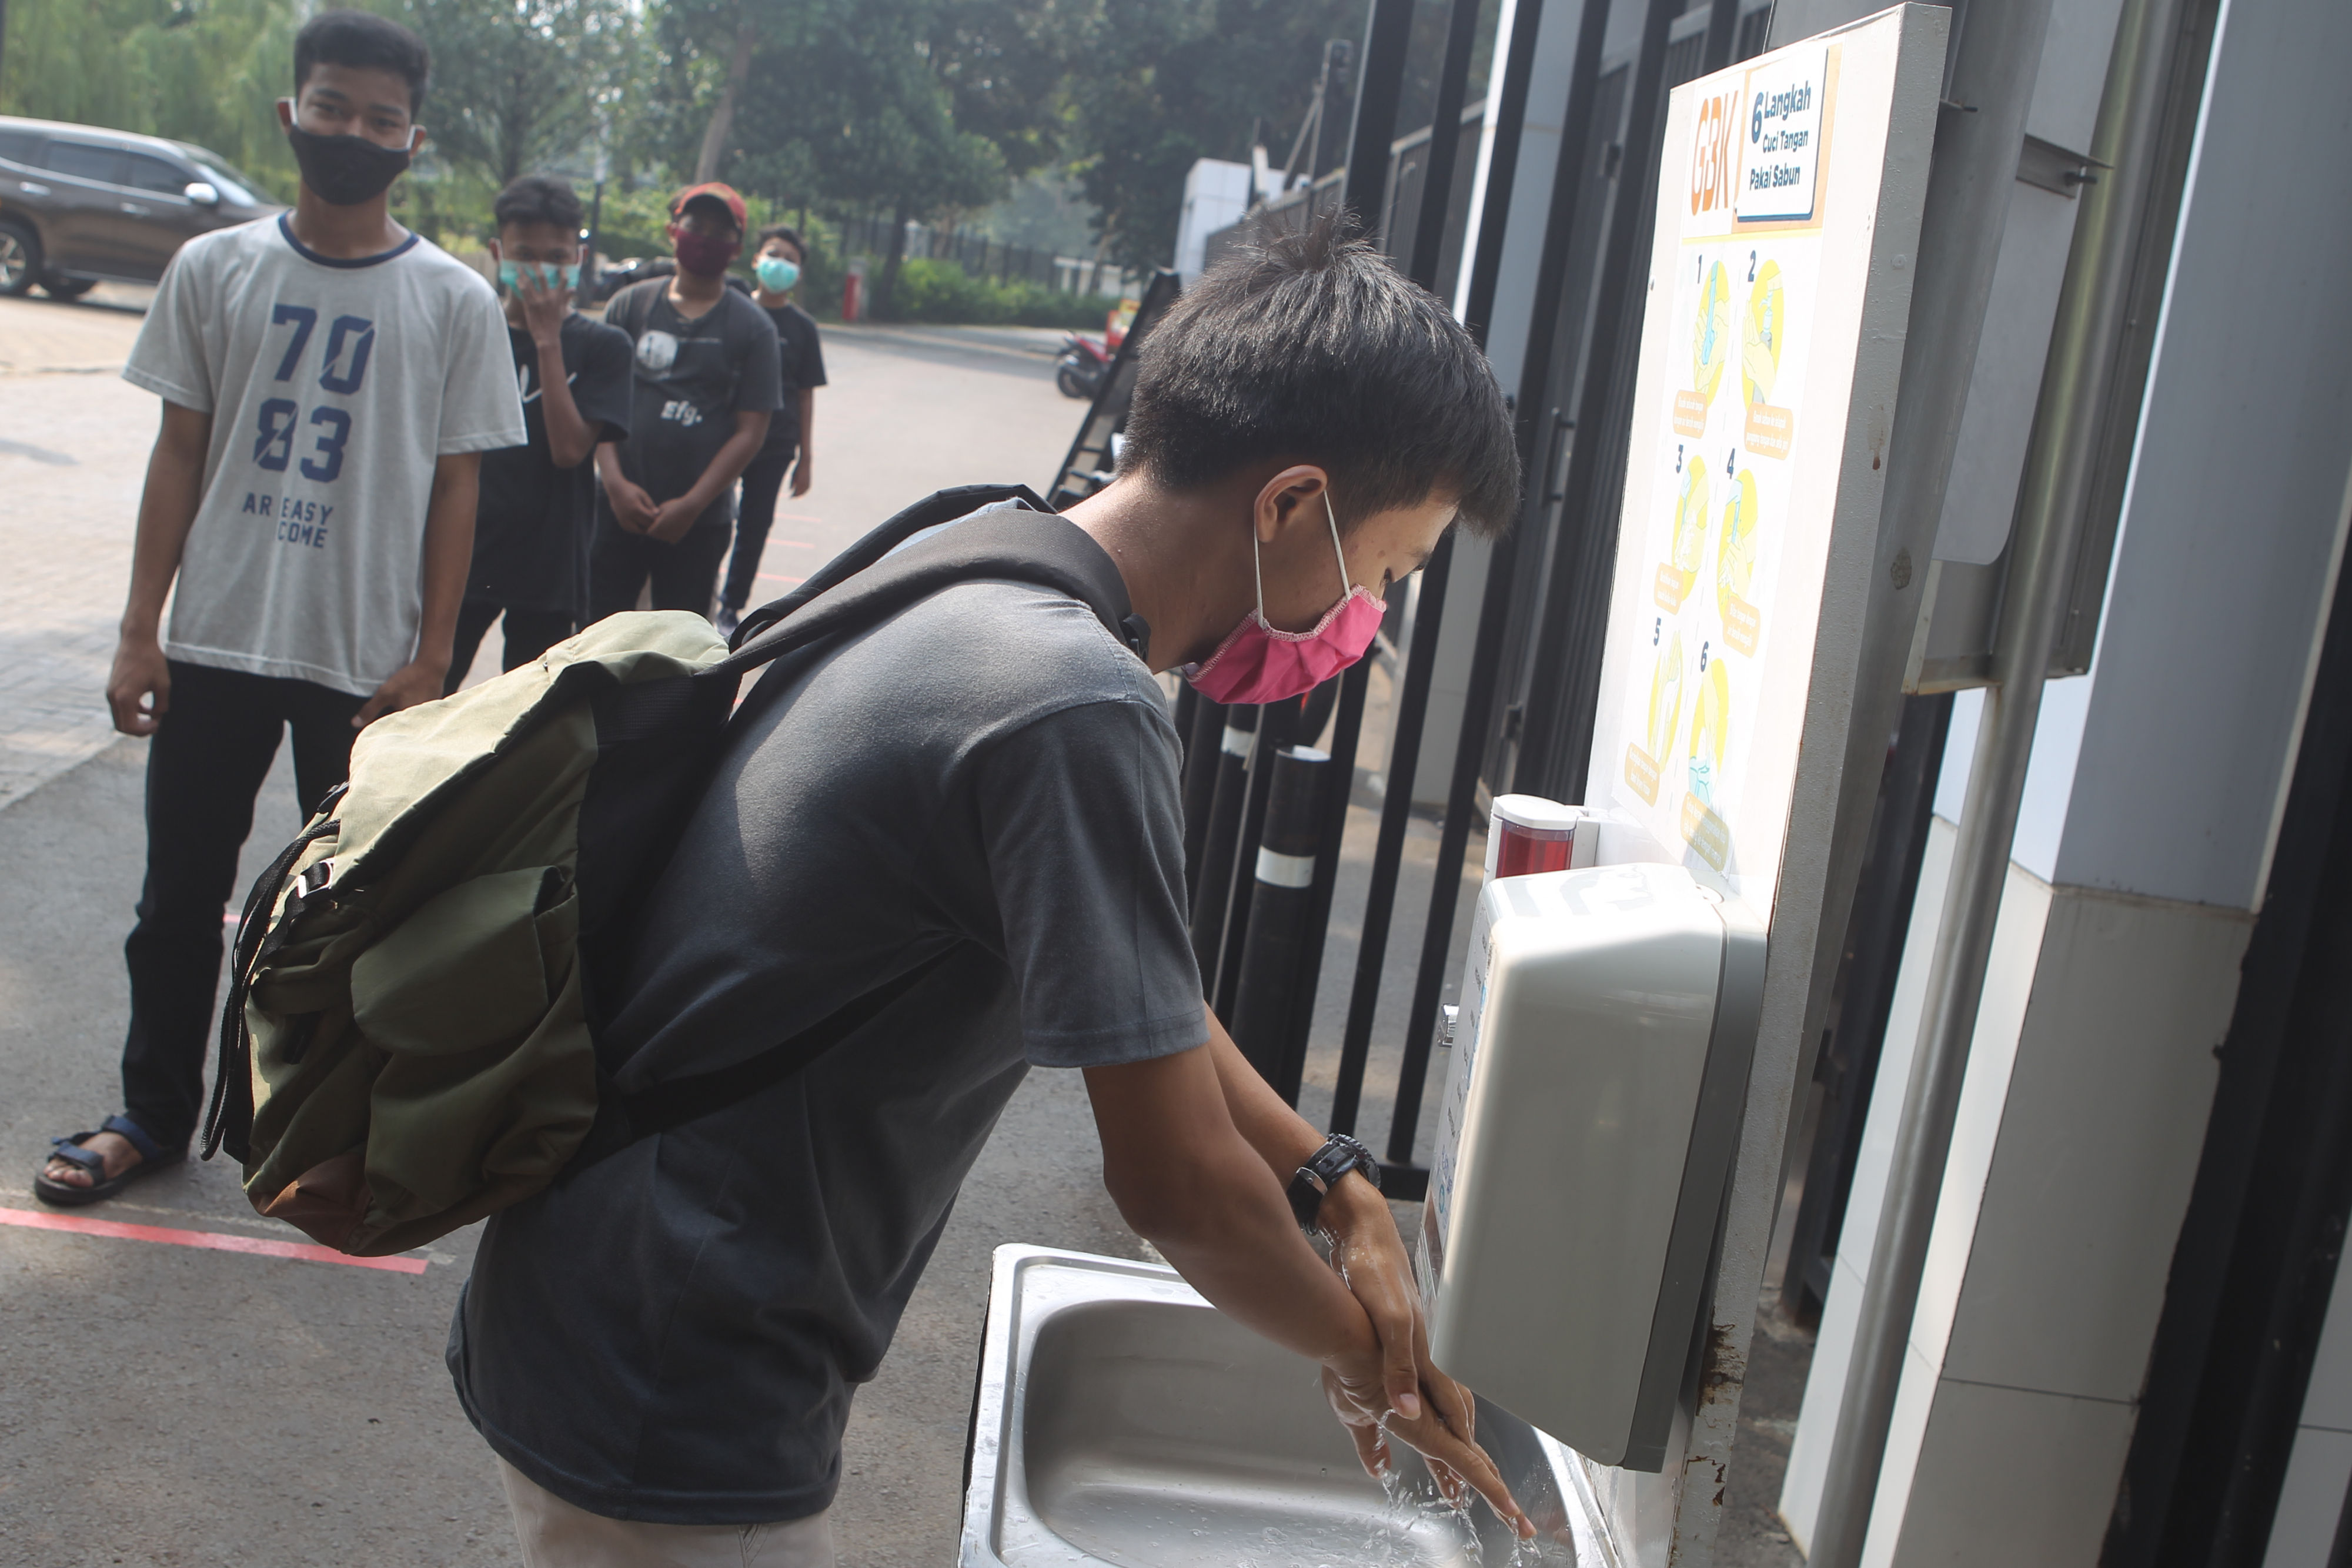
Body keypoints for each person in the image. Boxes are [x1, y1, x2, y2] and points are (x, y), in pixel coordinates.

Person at [448, 218, 1531, 1564]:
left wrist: (1330, 1181)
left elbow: (1141, 991)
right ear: (1290, 504)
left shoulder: (993, 554)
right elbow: (1176, 1184)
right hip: (674, 1365)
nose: (1360, 622)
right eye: (1381, 574)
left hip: (602, 1282)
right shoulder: (1074, 708)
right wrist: (1367, 1360)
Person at [35, 9, 524, 1205]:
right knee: (176, 902)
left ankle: (305, 1131)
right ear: (289, 115)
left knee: (344, 916)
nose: (352, 133)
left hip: (363, 664)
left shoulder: (453, 301)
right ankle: (149, 1114)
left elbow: (459, 483)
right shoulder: (217, 268)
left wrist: (435, 655)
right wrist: (140, 626)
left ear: (414, 140)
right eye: (332, 109)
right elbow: (179, 454)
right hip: (217, 639)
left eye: (379, 119)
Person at [445, 175, 634, 693]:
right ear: (496, 251)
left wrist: (547, 340)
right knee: (429, 695)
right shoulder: (467, 330)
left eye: (555, 256)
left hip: (549, 564)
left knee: (527, 716)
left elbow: (571, 450)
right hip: (463, 551)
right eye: (524, 254)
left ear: (577, 257)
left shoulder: (604, 346)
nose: (538, 270)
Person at [589, 183, 780, 622]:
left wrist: (692, 504)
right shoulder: (628, 307)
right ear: (673, 230)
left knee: (679, 652)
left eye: (720, 231)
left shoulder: (753, 329)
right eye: (696, 226)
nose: (706, 238)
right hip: (614, 508)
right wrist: (615, 484)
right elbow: (600, 405)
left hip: (699, 522)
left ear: (736, 248)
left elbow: (751, 430)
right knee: (596, 640)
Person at [716, 223, 827, 638]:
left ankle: (730, 607)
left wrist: (806, 458)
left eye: (790, 259)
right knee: (713, 518)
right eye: (773, 254)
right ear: (755, 258)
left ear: (799, 272)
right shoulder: (731, 310)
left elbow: (805, 395)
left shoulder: (802, 328)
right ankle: (699, 594)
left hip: (775, 443)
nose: (780, 264)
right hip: (724, 435)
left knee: (754, 524)